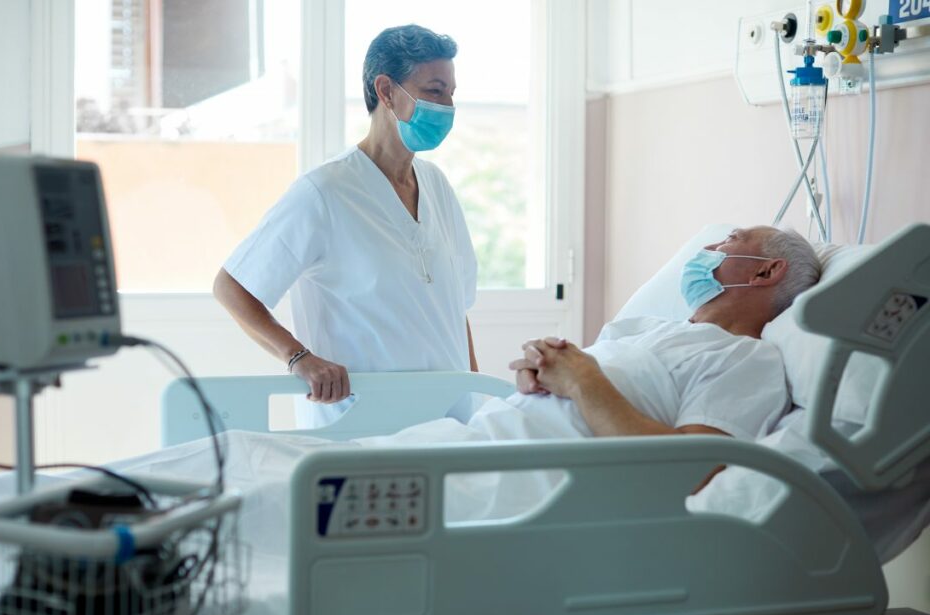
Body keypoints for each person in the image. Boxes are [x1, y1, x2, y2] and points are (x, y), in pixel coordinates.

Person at [214, 24, 478, 428]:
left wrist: (477, 398)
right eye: (435, 91)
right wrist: (298, 358)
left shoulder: (437, 186)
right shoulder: (324, 192)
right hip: (358, 426)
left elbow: (454, 310)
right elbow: (231, 287)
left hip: (448, 424)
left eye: (451, 94)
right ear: (387, 91)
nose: (447, 106)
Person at [457, 226, 821, 445]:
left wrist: (583, 380)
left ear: (767, 272)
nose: (708, 249)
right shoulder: (643, 327)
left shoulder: (748, 360)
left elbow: (692, 470)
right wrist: (543, 372)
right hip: (479, 438)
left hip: (517, 477)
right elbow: (575, 386)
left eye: (730, 239)